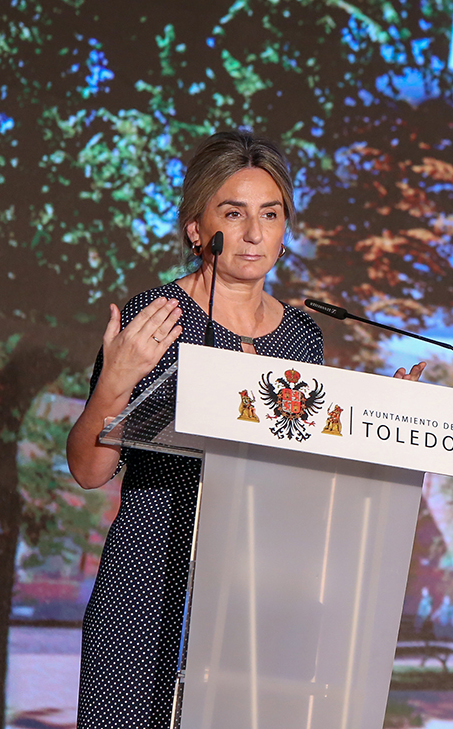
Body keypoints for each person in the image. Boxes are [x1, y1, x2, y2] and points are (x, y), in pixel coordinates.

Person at [65, 131, 425, 729]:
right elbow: (87, 470)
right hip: (150, 584)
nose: (255, 233)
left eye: (271, 214)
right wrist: (115, 381)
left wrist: (380, 422)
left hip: (256, 602)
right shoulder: (153, 319)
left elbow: (308, 482)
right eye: (234, 213)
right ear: (196, 228)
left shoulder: (302, 340)